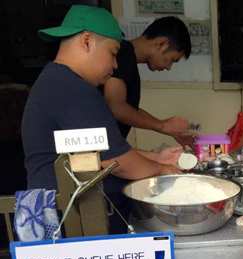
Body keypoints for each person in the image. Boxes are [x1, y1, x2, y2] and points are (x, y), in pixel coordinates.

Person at [21, 5, 181, 233]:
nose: (115, 65)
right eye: (113, 53)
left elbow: (99, 152)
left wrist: (157, 157)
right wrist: (163, 170)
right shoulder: (72, 89)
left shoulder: (58, 81)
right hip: (68, 217)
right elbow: (119, 164)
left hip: (68, 209)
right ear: (87, 41)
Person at [103, 16, 193, 145]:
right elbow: (116, 107)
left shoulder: (129, 60)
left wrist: (167, 128)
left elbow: (130, 109)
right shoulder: (122, 55)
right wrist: (162, 125)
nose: (168, 67)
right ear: (162, 44)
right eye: (172, 60)